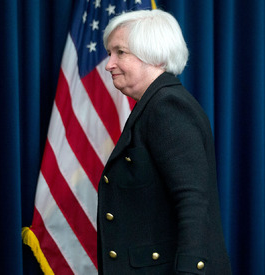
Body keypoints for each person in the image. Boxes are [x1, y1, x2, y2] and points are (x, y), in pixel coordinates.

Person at [97, 9, 232, 275]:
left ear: (154, 56)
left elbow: (192, 200)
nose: (108, 64)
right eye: (110, 53)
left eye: (119, 52)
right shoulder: (153, 104)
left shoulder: (166, 106)